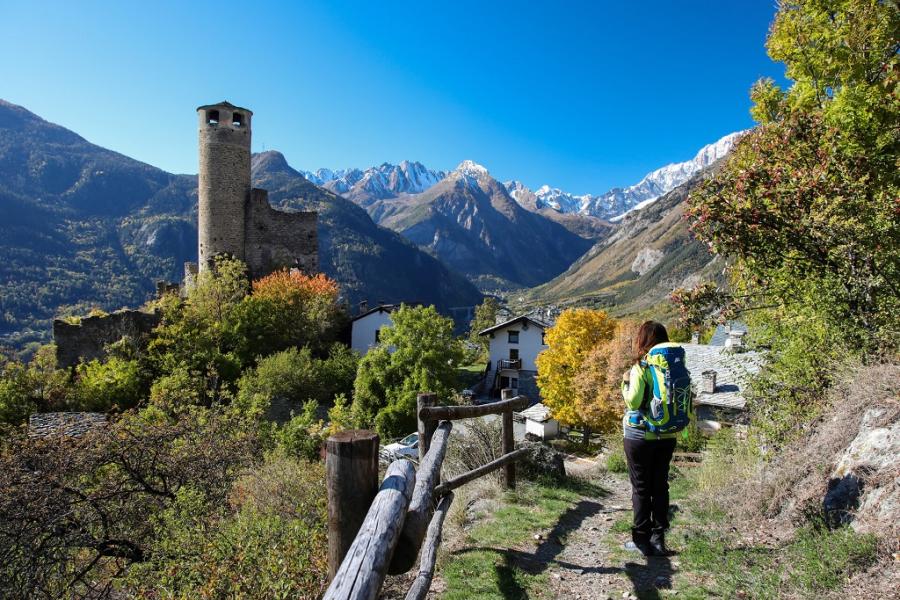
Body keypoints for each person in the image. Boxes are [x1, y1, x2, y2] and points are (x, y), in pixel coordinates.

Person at [620, 320, 680, 557]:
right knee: (660, 486)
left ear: (642, 340)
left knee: (641, 488)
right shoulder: (674, 368)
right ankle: (658, 540)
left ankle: (641, 540)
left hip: (640, 435)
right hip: (667, 434)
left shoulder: (641, 367)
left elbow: (634, 402)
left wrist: (625, 383)